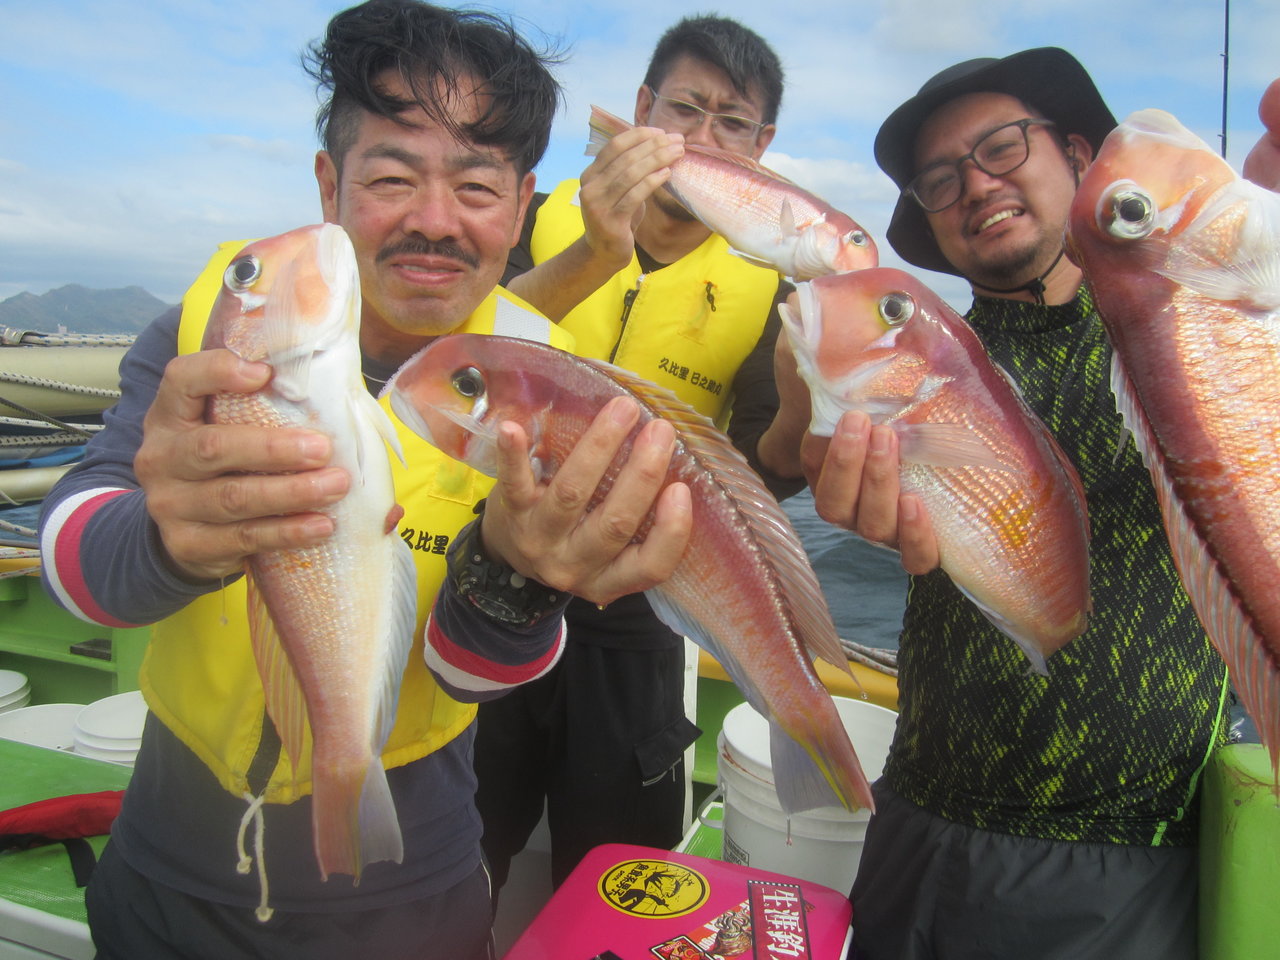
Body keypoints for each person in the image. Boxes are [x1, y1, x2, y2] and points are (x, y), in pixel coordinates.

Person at [36, 3, 693, 959]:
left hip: (413, 885)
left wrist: (515, 581)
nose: (434, 220)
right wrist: (162, 538)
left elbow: (470, 673)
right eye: (391, 177)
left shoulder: (543, 388)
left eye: (477, 186)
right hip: (168, 867)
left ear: (521, 208)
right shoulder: (208, 333)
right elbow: (76, 560)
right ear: (328, 184)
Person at [776, 49, 1237, 959]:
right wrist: (818, 441)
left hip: (1131, 851)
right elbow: (796, 454)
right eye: (941, 180)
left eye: (1000, 147)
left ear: (1078, 154)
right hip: (921, 816)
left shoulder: (1197, 333)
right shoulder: (927, 362)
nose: (976, 184)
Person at [473, 15, 805, 893]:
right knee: (465, 838)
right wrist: (591, 250)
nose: (701, 139)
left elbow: (764, 469)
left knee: (618, 873)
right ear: (643, 108)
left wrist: (807, 407)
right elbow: (457, 354)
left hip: (638, 602)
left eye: (732, 123)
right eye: (684, 110)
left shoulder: (773, 287)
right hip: (487, 565)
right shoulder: (537, 216)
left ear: (762, 146)